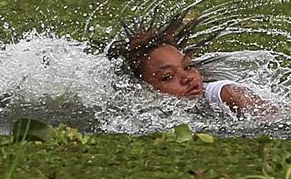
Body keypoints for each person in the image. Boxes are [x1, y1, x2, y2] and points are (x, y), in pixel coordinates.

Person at [107, 12, 268, 115]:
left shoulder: (226, 95)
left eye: (188, 67)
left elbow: (279, 118)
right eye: (168, 77)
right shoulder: (136, 114)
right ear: (139, 86)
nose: (188, 78)